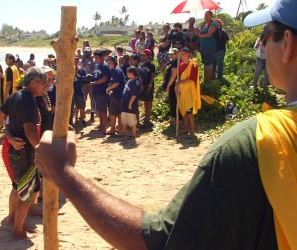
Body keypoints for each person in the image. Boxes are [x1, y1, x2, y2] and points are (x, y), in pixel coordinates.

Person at [35, 2, 297, 249]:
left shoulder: (259, 145)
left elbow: (159, 239)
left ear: (287, 44)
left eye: (266, 34)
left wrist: (62, 172)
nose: (261, 43)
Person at [0, 67, 46, 239]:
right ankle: (18, 230)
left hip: (16, 150)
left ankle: (15, 220)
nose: (45, 86)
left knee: (23, 189)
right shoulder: (27, 101)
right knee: (26, 192)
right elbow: (30, 133)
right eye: (43, 83)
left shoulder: (15, 95)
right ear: (33, 83)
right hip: (25, 152)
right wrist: (41, 152)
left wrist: (9, 135)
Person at [177, 47, 201, 136]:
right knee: (183, 110)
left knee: (190, 112)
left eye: (182, 55)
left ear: (187, 54)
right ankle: (186, 129)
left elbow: (192, 79)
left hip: (190, 91)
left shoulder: (193, 64)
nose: (181, 57)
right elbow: (179, 77)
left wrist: (179, 82)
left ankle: (192, 131)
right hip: (182, 90)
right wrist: (178, 87)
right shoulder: (180, 65)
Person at [90, 50, 110, 132]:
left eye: (97, 58)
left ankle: (104, 125)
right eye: (94, 58)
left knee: (102, 109)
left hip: (102, 90)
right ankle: (101, 124)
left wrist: (94, 83)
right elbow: (97, 76)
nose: (95, 59)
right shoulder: (97, 65)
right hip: (96, 90)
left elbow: (105, 78)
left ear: (102, 57)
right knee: (99, 109)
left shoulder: (105, 66)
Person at [105, 56, 125, 135]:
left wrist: (108, 89)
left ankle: (113, 129)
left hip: (117, 96)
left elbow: (116, 83)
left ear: (114, 62)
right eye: (108, 62)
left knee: (113, 113)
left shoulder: (116, 71)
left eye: (110, 62)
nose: (109, 64)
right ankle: (119, 128)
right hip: (118, 94)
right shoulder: (116, 70)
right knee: (119, 113)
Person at [120, 66, 140, 138]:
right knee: (124, 119)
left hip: (131, 105)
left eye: (127, 72)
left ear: (131, 73)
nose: (126, 74)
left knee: (132, 120)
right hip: (125, 104)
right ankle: (123, 132)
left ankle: (134, 134)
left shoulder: (135, 82)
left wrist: (130, 103)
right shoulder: (129, 80)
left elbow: (134, 95)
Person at [198, 11, 218, 82]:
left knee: (208, 63)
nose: (205, 16)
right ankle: (206, 79)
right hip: (203, 47)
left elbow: (209, 34)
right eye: (205, 15)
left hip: (209, 46)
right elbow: (200, 34)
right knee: (205, 63)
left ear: (211, 16)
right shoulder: (203, 25)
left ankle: (209, 80)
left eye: (207, 15)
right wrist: (197, 32)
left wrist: (200, 35)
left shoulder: (213, 24)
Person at [163, 48, 179, 126]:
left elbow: (173, 75)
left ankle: (175, 119)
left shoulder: (176, 62)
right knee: (172, 101)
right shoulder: (173, 61)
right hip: (172, 85)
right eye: (170, 54)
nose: (170, 55)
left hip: (173, 85)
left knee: (174, 101)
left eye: (172, 54)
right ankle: (172, 118)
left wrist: (168, 86)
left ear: (176, 54)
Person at [139, 49, 156, 125]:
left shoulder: (151, 65)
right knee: (145, 101)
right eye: (142, 55)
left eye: (144, 55)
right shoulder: (142, 64)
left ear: (148, 56)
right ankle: (146, 116)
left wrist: (150, 85)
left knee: (149, 101)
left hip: (148, 85)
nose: (142, 56)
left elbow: (152, 76)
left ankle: (147, 118)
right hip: (143, 85)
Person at [72, 58, 87, 126]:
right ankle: (76, 120)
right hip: (72, 93)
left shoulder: (81, 71)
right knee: (75, 107)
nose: (76, 61)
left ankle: (82, 119)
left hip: (79, 91)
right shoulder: (69, 71)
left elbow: (84, 80)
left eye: (77, 60)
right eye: (75, 60)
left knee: (81, 106)